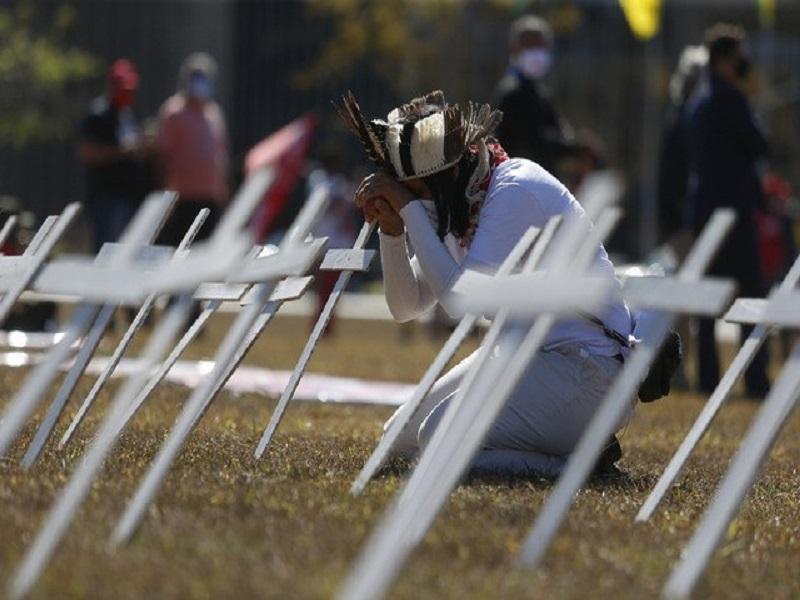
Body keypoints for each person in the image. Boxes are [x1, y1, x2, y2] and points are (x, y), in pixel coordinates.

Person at [337, 90, 633, 477]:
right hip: (528, 358)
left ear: (444, 177)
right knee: (397, 440)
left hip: (589, 371)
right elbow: (407, 307)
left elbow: (461, 300)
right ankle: (565, 453)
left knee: (436, 440)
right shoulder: (457, 204)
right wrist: (393, 233)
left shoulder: (513, 190)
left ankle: (579, 464)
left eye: (414, 189)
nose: (409, 199)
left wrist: (409, 210)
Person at [687, 24, 771, 398]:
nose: (744, 63)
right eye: (739, 57)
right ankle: (755, 379)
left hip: (706, 211)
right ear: (724, 60)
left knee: (707, 301)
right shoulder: (732, 100)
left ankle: (708, 378)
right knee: (752, 295)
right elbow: (759, 144)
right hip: (734, 213)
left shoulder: (699, 101)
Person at [156, 52, 229, 246]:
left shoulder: (214, 113)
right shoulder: (173, 112)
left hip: (210, 198)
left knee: (205, 251)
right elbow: (162, 156)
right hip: (181, 200)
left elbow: (220, 154)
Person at [491, 15, 575, 176]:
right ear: (514, 48)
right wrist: (573, 149)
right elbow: (534, 142)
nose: (536, 54)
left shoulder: (542, 93)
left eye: (540, 47)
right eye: (529, 46)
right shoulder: (511, 95)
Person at [78, 59, 146, 252]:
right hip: (107, 198)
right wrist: (123, 151)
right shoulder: (98, 114)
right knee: (107, 251)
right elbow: (87, 152)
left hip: (129, 197)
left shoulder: (127, 114)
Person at [306, 149, 357, 335]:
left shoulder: (338, 181)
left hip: (338, 242)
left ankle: (328, 324)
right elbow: (326, 203)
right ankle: (320, 323)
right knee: (323, 288)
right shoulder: (318, 179)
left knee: (333, 288)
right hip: (323, 241)